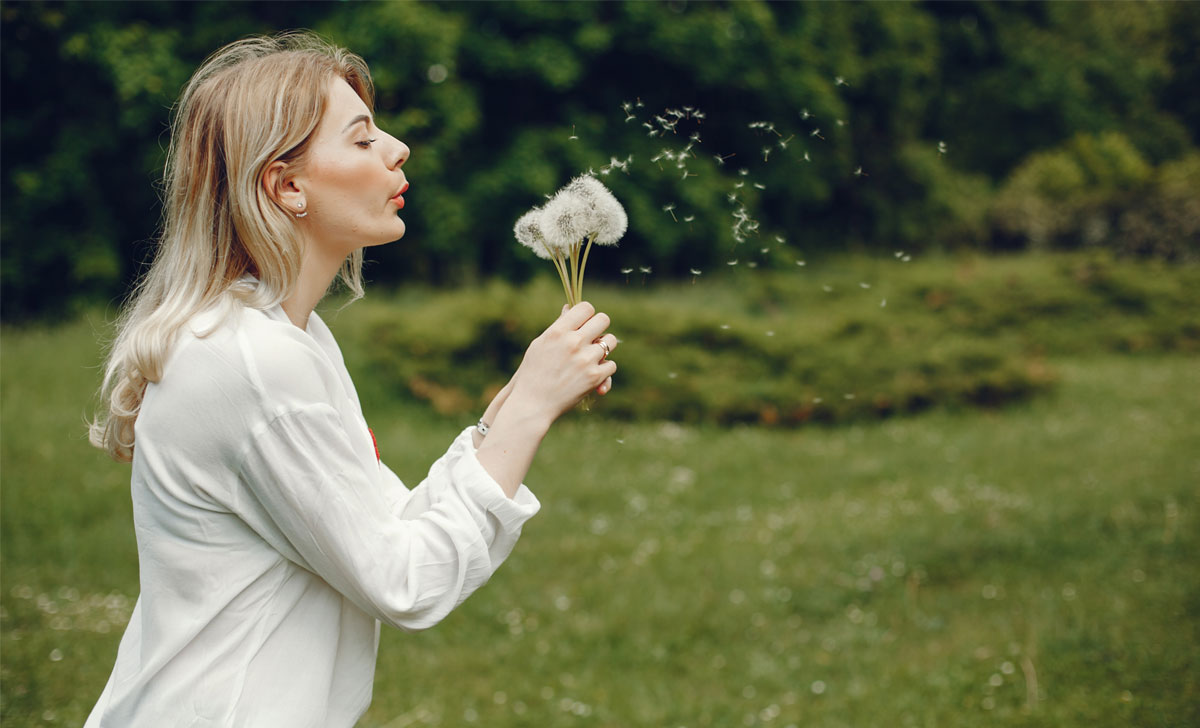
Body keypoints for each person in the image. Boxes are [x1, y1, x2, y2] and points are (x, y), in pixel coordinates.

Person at [85, 32, 618, 727]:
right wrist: (531, 414)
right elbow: (406, 584)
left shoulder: (287, 337)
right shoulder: (256, 363)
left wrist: (513, 402)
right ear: (286, 185)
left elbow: (389, 528)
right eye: (362, 140)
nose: (397, 149)